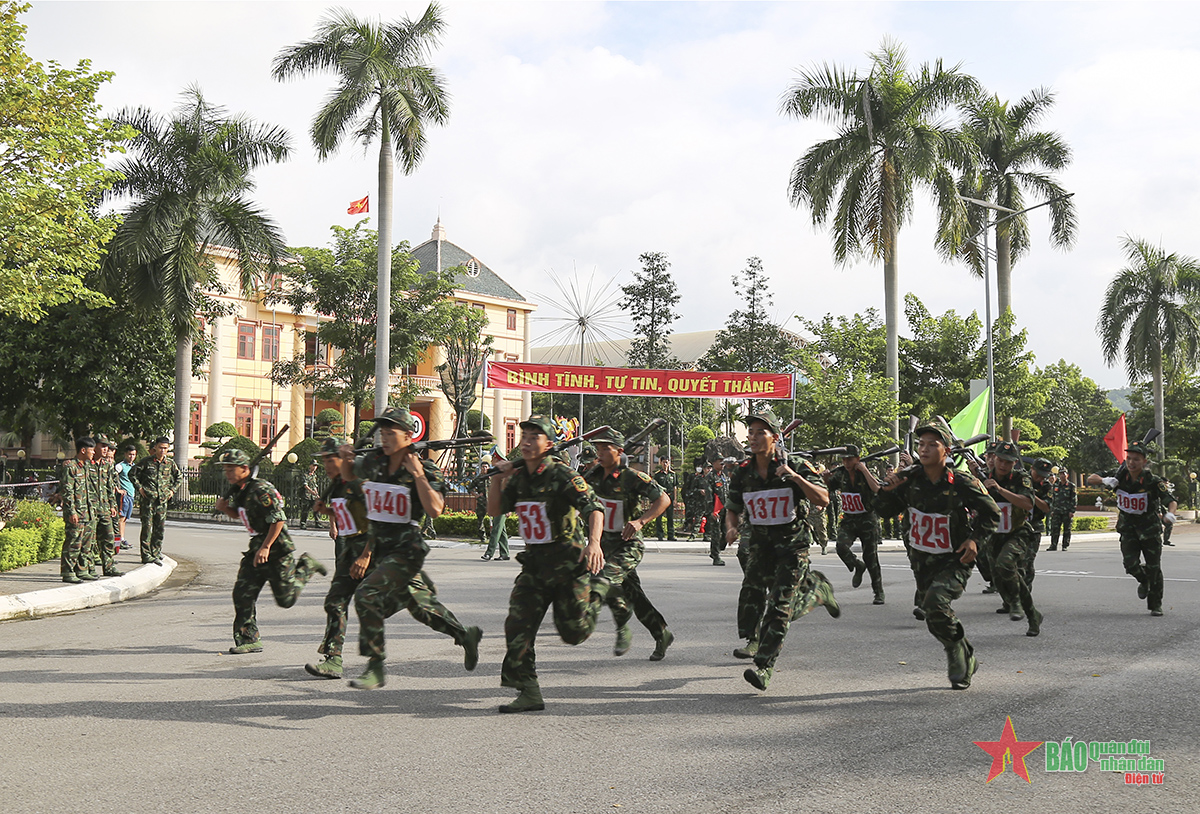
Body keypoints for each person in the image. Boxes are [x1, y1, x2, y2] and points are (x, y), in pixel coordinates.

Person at [349, 407, 481, 689]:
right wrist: (346, 457)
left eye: (390, 433)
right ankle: (465, 634)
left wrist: (418, 474)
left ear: (409, 436)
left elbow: (435, 510)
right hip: (382, 551)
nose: (383, 438)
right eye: (381, 433)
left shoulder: (425, 468)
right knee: (421, 607)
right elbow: (354, 483)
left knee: (366, 596)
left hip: (407, 550)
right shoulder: (373, 463)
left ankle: (375, 667)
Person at [487, 414, 606, 713]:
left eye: (533, 437)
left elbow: (594, 507)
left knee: (573, 633)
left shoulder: (562, 475)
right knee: (518, 625)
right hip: (535, 567)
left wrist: (594, 543)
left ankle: (600, 592)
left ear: (548, 444)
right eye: (523, 437)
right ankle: (528, 690)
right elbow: (496, 509)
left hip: (568, 565)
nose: (526, 442)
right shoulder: (519, 478)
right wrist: (498, 478)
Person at [875, 424, 1000, 690]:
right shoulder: (909, 480)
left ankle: (957, 658)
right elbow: (884, 512)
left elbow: (992, 514)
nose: (924, 448)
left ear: (946, 450)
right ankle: (966, 653)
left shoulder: (963, 482)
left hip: (955, 559)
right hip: (922, 561)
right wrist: (886, 491)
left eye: (932, 444)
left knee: (935, 604)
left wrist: (975, 541)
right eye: (921, 443)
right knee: (933, 616)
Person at [726, 410, 839, 691]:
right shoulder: (743, 471)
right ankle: (816, 592)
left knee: (779, 607)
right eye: (750, 432)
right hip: (760, 547)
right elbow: (733, 506)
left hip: (792, 546)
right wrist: (731, 527)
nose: (752, 437)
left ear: (775, 438)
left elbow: (823, 498)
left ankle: (764, 666)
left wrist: (795, 478)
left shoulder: (795, 465)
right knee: (751, 593)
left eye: (759, 432)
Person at [214, 449, 327, 654]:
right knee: (242, 593)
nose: (228, 474)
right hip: (256, 546)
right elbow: (241, 515)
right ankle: (249, 639)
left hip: (276, 548)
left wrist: (266, 547)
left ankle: (307, 566)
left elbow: (278, 519)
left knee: (286, 599)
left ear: (245, 469)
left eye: (231, 470)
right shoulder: (240, 490)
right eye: (226, 470)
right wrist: (224, 508)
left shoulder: (261, 489)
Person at [584, 429, 675, 661]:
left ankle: (595, 621)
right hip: (606, 546)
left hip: (628, 545)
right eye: (599, 449)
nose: (601, 453)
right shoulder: (592, 476)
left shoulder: (631, 477)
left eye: (606, 448)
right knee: (635, 596)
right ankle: (661, 633)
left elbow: (664, 499)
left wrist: (641, 521)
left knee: (603, 579)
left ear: (619, 451)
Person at [1087, 441, 1175, 616]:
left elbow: (1170, 500)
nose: (1132, 462)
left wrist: (1170, 514)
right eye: (1129, 458)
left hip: (1149, 529)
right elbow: (1091, 478)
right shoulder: (1119, 476)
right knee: (1130, 564)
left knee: (1153, 567)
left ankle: (1155, 604)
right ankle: (1144, 581)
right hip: (1128, 529)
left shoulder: (1152, 481)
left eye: (1136, 459)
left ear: (1144, 461)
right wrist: (1104, 480)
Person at [976, 441, 1042, 636]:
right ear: (993, 458)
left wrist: (1000, 490)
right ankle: (1033, 614)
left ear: (1014, 464)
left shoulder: (1021, 478)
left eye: (1009, 462)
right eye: (1001, 460)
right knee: (999, 575)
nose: (1004, 465)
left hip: (1017, 532)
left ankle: (1014, 602)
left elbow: (1028, 504)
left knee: (1006, 564)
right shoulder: (984, 476)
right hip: (994, 534)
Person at [824, 445, 885, 604]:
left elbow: (877, 488)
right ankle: (857, 565)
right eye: (844, 459)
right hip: (849, 519)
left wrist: (864, 470)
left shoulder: (864, 473)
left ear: (857, 459)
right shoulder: (840, 474)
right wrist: (824, 477)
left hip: (867, 519)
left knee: (871, 557)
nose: (846, 462)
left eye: (850, 459)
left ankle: (878, 592)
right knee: (841, 546)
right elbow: (827, 486)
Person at [132, 437, 182, 565]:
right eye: (160, 447)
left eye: (165, 448)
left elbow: (179, 477)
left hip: (162, 501)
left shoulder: (170, 464)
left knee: (159, 528)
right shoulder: (146, 462)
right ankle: (146, 555)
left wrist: (172, 491)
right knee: (147, 528)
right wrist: (140, 488)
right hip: (148, 500)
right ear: (155, 448)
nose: (162, 450)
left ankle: (156, 552)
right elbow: (132, 474)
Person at [59, 437, 99, 584]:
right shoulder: (71, 467)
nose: (94, 453)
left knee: (86, 544)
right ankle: (68, 572)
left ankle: (82, 570)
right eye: (91, 450)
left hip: (88, 512)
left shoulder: (87, 467)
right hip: (77, 513)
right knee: (73, 543)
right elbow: (67, 491)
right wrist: (72, 512)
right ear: (83, 450)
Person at [90, 436, 123, 577]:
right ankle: (89, 568)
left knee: (108, 537)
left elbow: (110, 487)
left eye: (107, 447)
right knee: (90, 540)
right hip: (90, 508)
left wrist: (112, 505)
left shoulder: (107, 465)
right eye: (102, 446)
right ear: (94, 446)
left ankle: (108, 567)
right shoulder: (86, 464)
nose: (105, 449)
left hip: (104, 508)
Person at [704, 458, 729, 565]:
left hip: (725, 509)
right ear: (714, 463)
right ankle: (716, 556)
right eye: (719, 461)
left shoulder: (724, 477)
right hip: (715, 510)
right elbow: (709, 496)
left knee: (726, 533)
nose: (722, 464)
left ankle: (717, 550)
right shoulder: (710, 477)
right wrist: (711, 512)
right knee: (716, 533)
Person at [650, 454, 679, 542]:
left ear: (669, 463)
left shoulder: (673, 474)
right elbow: (654, 487)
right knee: (659, 517)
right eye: (663, 462)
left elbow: (675, 487)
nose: (665, 464)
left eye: (667, 462)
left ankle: (671, 535)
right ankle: (660, 535)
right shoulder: (658, 475)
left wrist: (675, 499)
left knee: (670, 517)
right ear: (661, 463)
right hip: (661, 498)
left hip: (670, 497)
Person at [114, 445, 138, 549]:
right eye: (130, 454)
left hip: (131, 496)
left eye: (133, 455)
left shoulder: (134, 466)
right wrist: (117, 489)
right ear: (125, 454)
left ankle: (121, 539)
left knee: (124, 519)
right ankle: (119, 541)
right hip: (124, 496)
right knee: (121, 517)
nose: (132, 457)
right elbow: (111, 476)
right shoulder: (120, 466)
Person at [1048, 469, 1077, 551]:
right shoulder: (1056, 486)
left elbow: (1074, 499)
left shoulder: (1071, 486)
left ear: (1067, 475)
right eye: (1060, 474)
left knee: (1067, 529)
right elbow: (1052, 498)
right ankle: (1053, 545)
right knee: (1054, 529)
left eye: (1063, 474)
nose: (1062, 476)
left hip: (1067, 511)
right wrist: (1052, 510)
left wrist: (1072, 511)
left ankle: (1065, 545)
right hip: (1057, 511)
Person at [300, 461, 321, 529]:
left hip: (313, 496)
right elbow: (305, 485)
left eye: (316, 466)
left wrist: (316, 494)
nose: (315, 467)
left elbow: (314, 485)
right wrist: (311, 491)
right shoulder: (305, 475)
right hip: (307, 495)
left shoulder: (314, 475)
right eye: (314, 465)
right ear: (310, 466)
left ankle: (317, 523)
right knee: (305, 510)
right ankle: (303, 523)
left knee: (316, 509)